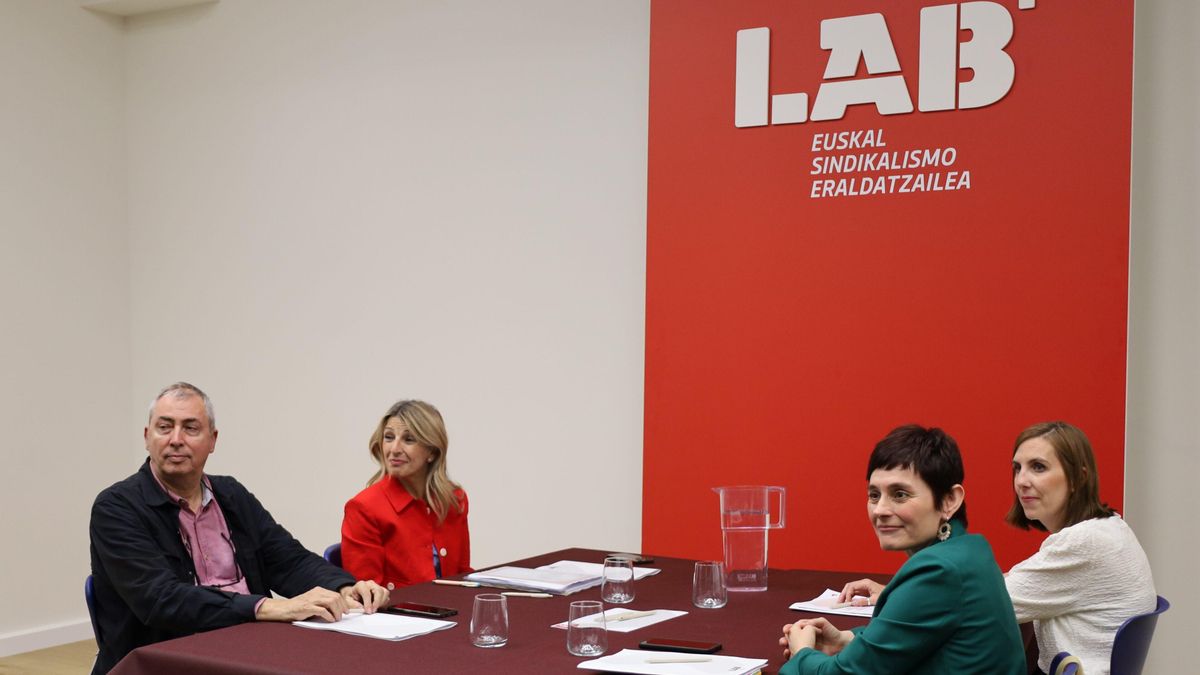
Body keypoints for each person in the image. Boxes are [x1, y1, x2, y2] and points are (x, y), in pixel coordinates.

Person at [89, 383, 389, 675]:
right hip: (170, 659)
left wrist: (343, 587)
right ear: (146, 436)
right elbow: (161, 600)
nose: (176, 439)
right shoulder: (116, 507)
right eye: (164, 427)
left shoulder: (231, 494)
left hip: (251, 646)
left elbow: (288, 559)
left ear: (213, 440)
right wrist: (266, 607)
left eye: (191, 428)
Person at [779, 425, 1024, 675]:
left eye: (900, 495)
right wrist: (845, 640)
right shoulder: (968, 551)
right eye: (874, 495)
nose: (880, 510)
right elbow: (916, 635)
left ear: (950, 500)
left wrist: (802, 654)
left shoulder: (940, 572)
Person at [1005, 421, 1155, 675]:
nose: (1021, 481)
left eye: (1038, 467)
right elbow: (1016, 585)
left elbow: (989, 602)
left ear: (1078, 477)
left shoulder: (1084, 543)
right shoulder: (1110, 528)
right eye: (1017, 468)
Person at [341, 399, 471, 588]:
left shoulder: (454, 499)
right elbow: (366, 596)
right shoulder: (364, 508)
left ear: (432, 452)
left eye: (408, 440)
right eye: (388, 437)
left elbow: (462, 577)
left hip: (452, 612)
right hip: (396, 616)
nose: (394, 449)